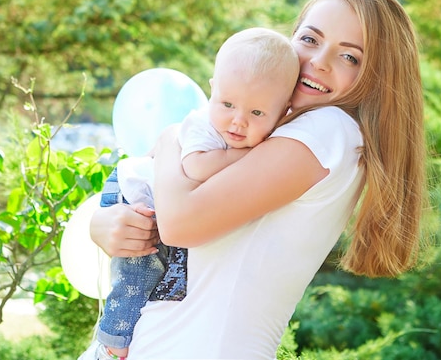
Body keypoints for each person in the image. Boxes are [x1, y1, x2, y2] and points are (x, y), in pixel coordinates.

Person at [88, 0, 427, 360]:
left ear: (377, 77)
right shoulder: (263, 127)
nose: (318, 62)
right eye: (310, 39)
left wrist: (170, 138)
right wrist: (106, 224)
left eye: (350, 57)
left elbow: (181, 223)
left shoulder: (330, 130)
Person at [84, 27, 300, 360]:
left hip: (162, 200)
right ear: (213, 89)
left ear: (284, 110)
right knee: (137, 271)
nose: (237, 122)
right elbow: (197, 167)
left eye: (257, 113)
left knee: (156, 269)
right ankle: (114, 337)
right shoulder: (202, 127)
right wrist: (249, 155)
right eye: (227, 104)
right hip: (134, 191)